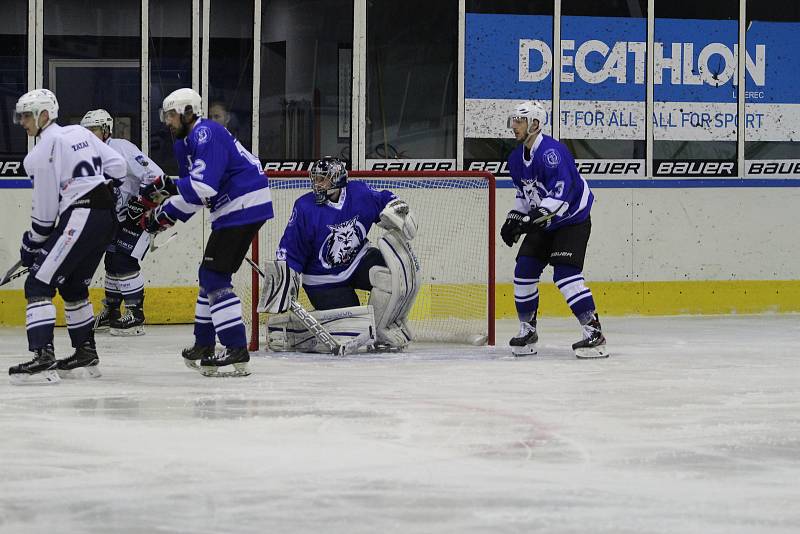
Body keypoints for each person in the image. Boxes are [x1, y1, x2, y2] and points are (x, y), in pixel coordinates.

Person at [139, 88, 272, 377]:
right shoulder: (184, 142)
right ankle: (204, 343)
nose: (167, 122)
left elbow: (204, 186)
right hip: (231, 209)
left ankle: (236, 347)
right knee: (208, 276)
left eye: (171, 115)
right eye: (166, 116)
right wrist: (163, 218)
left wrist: (168, 189)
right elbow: (196, 194)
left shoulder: (206, 134)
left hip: (243, 203)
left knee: (214, 276)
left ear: (189, 112)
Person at [8, 89, 127, 385]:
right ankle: (85, 353)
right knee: (74, 286)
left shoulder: (39, 153)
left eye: (26, 115)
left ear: (43, 114)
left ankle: (42, 356)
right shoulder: (79, 133)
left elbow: (46, 212)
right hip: (106, 217)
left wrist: (32, 245)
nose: (22, 122)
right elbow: (118, 167)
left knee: (38, 282)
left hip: (82, 215)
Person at [270, 156, 420, 352]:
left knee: (392, 274)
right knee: (355, 327)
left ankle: (386, 328)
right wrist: (285, 280)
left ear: (338, 179)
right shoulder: (305, 207)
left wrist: (398, 205)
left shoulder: (359, 193)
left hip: (357, 261)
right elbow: (291, 249)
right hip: (323, 281)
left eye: (322, 179)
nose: (317, 184)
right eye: (315, 179)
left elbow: (385, 199)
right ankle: (290, 330)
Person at [500, 100, 609, 359]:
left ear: (535, 124)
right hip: (544, 220)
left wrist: (531, 219)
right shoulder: (516, 158)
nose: (514, 125)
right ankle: (528, 331)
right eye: (513, 120)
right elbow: (525, 195)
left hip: (571, 219)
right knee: (523, 271)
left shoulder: (553, 153)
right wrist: (514, 218)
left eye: (520, 120)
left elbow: (563, 193)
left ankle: (594, 333)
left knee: (565, 276)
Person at [80, 109, 164, 336]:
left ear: (106, 130)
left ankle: (136, 315)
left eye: (94, 130)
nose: (90, 135)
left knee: (123, 260)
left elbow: (157, 176)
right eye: (86, 131)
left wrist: (143, 203)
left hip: (138, 216)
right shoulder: (86, 156)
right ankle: (113, 311)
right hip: (113, 218)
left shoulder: (121, 148)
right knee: (111, 261)